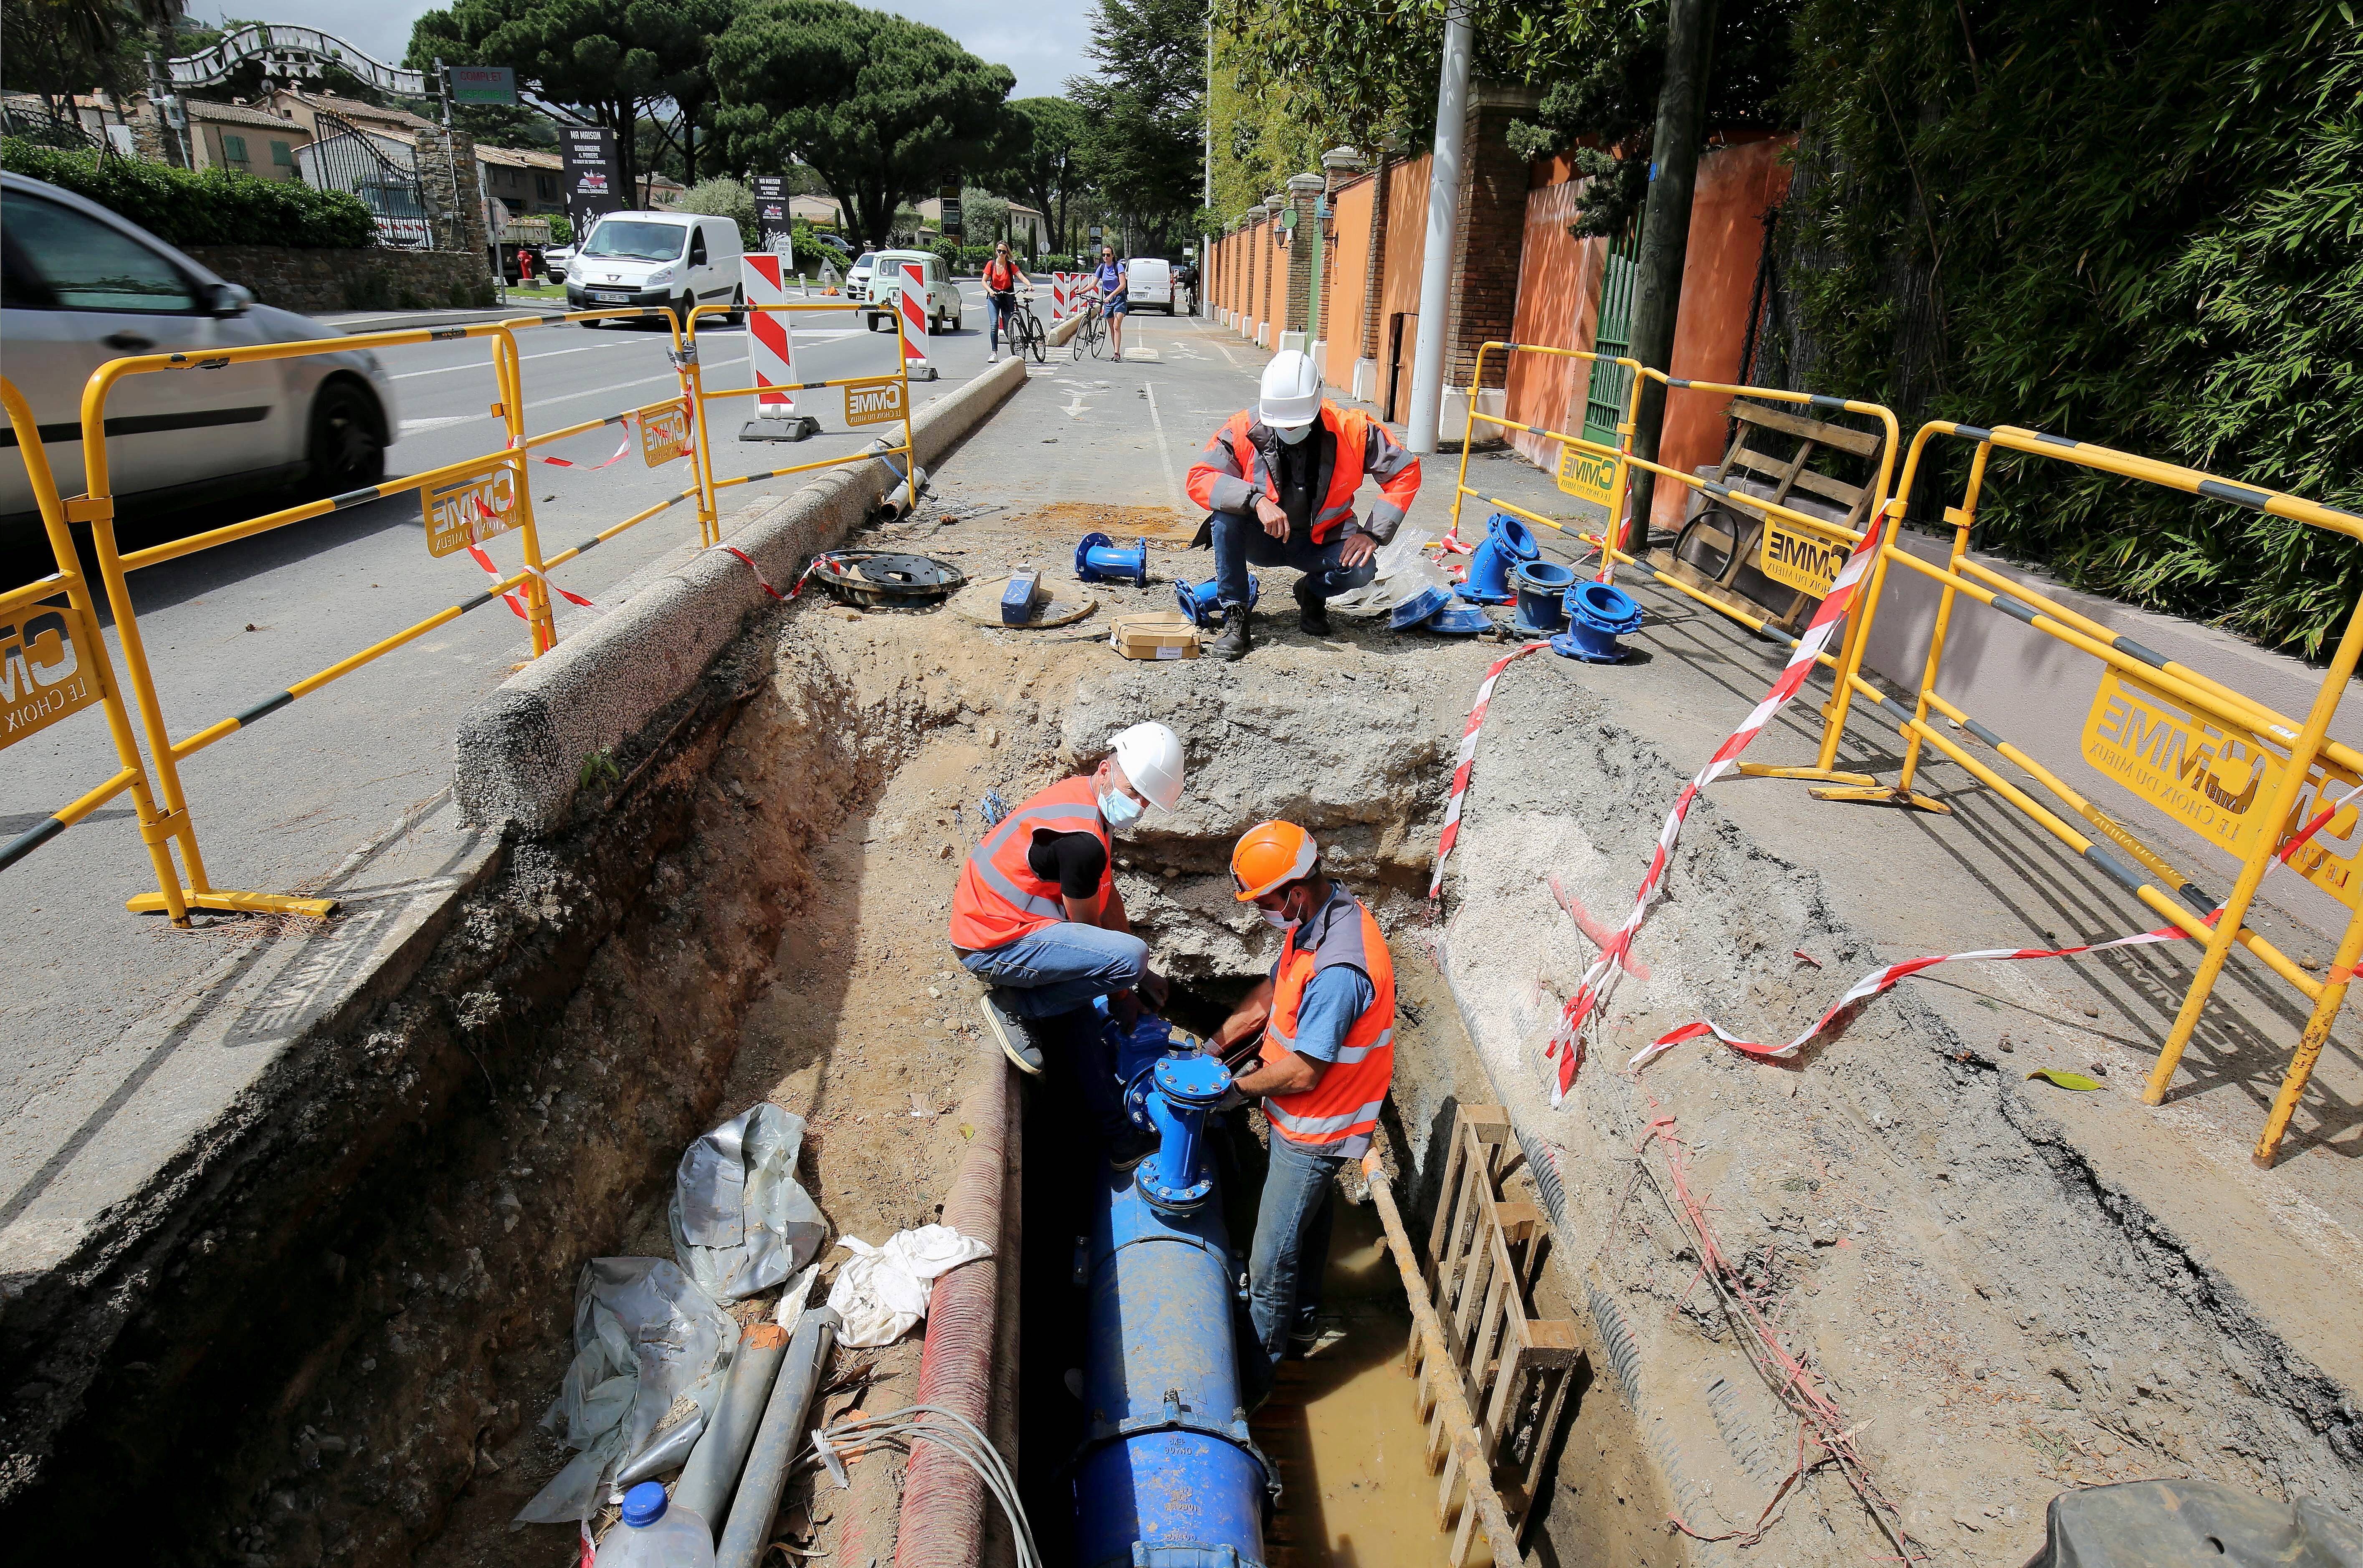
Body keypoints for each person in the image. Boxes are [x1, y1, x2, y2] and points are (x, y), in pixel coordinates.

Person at [949, 722, 1188, 1159]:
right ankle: (1015, 1005)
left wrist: (1140, 976)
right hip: (992, 944)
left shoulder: (1085, 800)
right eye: (1134, 792)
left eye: (1146, 801)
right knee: (1126, 960)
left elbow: (1106, 892)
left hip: (1005, 926)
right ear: (1105, 769)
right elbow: (1091, 936)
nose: (1136, 807)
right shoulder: (1082, 841)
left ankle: (1118, 1140)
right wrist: (1123, 992)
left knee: (1083, 1015)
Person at [1204, 822, 1396, 1366]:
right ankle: (1303, 1327)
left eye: (1261, 898)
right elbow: (1272, 991)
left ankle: (1262, 1370)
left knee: (1270, 1257)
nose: (1257, 908)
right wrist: (1214, 1049)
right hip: (1305, 1118)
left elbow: (1307, 1070)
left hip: (1319, 1126)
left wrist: (1230, 1091)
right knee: (1307, 1228)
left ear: (1293, 890)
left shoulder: (1339, 968)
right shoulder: (1321, 916)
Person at [1184, 349, 1422, 661]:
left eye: (1297, 423)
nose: (1290, 430)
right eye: (1282, 424)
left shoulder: (1353, 430)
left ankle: (1312, 593)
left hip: (1322, 542)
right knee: (1223, 518)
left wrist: (1373, 534)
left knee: (1362, 570)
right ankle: (1235, 614)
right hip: (1264, 540)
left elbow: (1405, 470)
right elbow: (1200, 477)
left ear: (1318, 402)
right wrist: (1255, 501)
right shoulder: (1242, 429)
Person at [982, 241, 1031, 363]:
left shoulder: (1010, 266)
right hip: (994, 296)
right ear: (996, 251)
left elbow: (1020, 276)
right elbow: (984, 281)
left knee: (1008, 325)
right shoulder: (991, 265)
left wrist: (1029, 285)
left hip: (1008, 296)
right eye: (999, 251)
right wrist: (990, 290)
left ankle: (1013, 351)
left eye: (1004, 252)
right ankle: (994, 353)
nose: (1001, 254)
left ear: (1007, 253)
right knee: (994, 324)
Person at [1089, 245, 1129, 362]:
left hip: (1119, 299)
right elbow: (1093, 285)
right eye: (1104, 255)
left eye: (1108, 255)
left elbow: (1123, 285)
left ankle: (1117, 354)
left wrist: (1112, 295)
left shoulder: (1119, 267)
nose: (1106, 257)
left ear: (1113, 256)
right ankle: (1115, 351)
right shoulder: (1101, 268)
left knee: (1117, 326)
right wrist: (1080, 291)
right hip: (1108, 300)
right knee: (1112, 328)